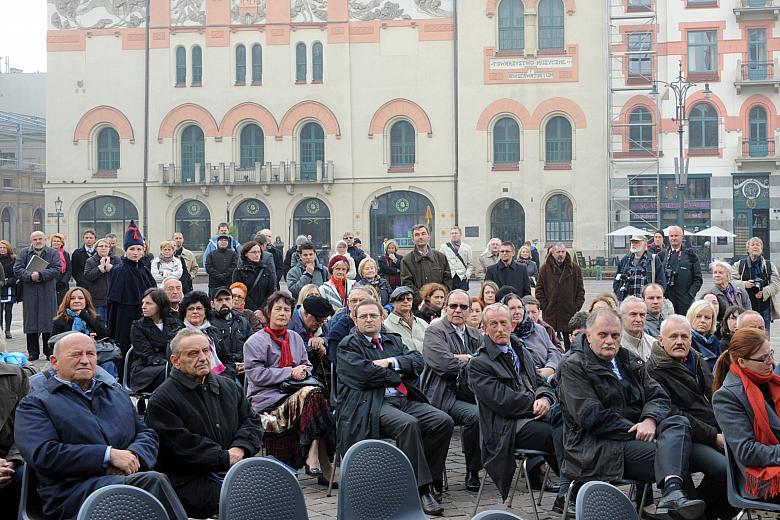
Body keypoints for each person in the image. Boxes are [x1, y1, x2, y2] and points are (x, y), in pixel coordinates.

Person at [14, 332, 188, 520]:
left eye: (91, 354)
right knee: (152, 482)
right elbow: (44, 453)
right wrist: (107, 456)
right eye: (75, 355)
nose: (85, 360)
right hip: (72, 493)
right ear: (55, 362)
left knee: (151, 485)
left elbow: (147, 434)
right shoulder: (35, 404)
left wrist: (132, 457)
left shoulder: (115, 393)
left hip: (127, 478)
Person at [557, 308, 706, 517]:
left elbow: (659, 396)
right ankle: (677, 499)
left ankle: (673, 494)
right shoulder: (573, 366)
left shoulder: (628, 359)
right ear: (588, 335)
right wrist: (637, 430)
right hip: (597, 447)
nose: (610, 340)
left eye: (615, 335)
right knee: (673, 458)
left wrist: (650, 420)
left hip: (637, 434)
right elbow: (591, 416)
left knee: (678, 422)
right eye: (603, 335)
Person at [336, 297, 454, 516]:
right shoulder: (348, 345)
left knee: (442, 421)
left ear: (382, 317)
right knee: (408, 425)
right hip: (371, 404)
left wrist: (391, 362)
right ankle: (420, 490)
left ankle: (431, 480)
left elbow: (418, 362)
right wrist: (397, 373)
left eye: (373, 315)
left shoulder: (393, 340)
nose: (369, 320)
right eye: (363, 316)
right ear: (355, 319)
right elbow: (363, 375)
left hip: (403, 399)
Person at [145, 329, 263, 517]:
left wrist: (240, 449)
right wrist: (224, 458)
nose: (202, 358)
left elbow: (251, 421)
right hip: (188, 480)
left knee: (277, 486)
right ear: (175, 361)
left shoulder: (229, 386)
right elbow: (183, 446)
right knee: (243, 502)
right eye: (193, 353)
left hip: (233, 468)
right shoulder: (162, 400)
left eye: (206, 351)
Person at [645, 315, 736, 520]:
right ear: (661, 340)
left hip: (710, 428)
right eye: (674, 336)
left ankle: (703, 511)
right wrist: (714, 436)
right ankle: (695, 513)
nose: (680, 341)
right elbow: (671, 413)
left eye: (684, 336)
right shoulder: (653, 370)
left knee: (743, 466)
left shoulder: (694, 358)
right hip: (683, 436)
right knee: (724, 470)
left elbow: (714, 394)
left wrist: (727, 425)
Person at [468, 303, 559, 501]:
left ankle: (576, 487)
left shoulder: (519, 348)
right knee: (558, 434)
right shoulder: (478, 363)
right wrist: (537, 403)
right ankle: (571, 491)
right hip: (505, 429)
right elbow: (504, 402)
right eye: (493, 324)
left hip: (534, 414)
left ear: (512, 325)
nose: (499, 328)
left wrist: (544, 397)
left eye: (503, 323)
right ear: (484, 328)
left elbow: (541, 383)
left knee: (571, 425)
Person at [243, 291, 336, 483]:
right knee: (314, 394)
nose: (283, 313)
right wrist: (289, 372)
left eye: (287, 310)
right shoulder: (254, 341)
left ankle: (313, 454)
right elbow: (256, 375)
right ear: (268, 312)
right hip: (268, 399)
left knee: (313, 394)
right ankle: (318, 460)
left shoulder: (294, 337)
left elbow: (306, 365)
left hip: (297, 394)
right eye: (278, 309)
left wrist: (303, 371)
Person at [421, 289, 483, 491]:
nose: (458, 310)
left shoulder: (476, 334)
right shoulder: (434, 332)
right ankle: (438, 479)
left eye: (463, 307)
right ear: (445, 308)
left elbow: (487, 363)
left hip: (470, 392)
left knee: (493, 410)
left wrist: (463, 358)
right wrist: (471, 359)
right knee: (475, 416)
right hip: (442, 394)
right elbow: (444, 366)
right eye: (453, 306)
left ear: (469, 311)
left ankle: (475, 470)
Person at [712, 327, 780, 502]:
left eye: (770, 354)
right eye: (763, 359)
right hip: (763, 477)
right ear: (742, 362)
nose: (771, 362)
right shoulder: (727, 396)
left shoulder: (772, 381)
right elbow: (746, 451)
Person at [107, 221, 157, 359]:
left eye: (139, 249)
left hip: (145, 317)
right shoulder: (118, 271)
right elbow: (113, 302)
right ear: (126, 251)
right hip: (124, 318)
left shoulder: (145, 271)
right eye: (132, 249)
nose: (136, 253)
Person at [14, 231, 61, 361]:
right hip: (30, 292)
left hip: (47, 291)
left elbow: (57, 269)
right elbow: (17, 269)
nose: (38, 241)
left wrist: (40, 275)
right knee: (31, 322)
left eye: (40, 238)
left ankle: (48, 351)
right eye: (35, 239)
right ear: (31, 241)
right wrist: (30, 276)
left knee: (48, 322)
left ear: (45, 239)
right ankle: (33, 352)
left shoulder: (53, 253)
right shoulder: (24, 253)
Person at [130, 288, 181, 393]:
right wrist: (169, 363)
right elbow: (146, 355)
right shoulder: (138, 326)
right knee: (174, 372)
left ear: (160, 305)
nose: (143, 307)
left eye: (148, 303)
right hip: (146, 370)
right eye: (143, 303)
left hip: (172, 364)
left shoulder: (174, 323)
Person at [51, 286, 114, 370]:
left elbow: (106, 335)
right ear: (68, 301)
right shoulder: (60, 320)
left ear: (86, 301)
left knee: (108, 365)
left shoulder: (95, 318)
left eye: (80, 298)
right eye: (72, 298)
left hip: (94, 356)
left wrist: (84, 315)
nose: (76, 301)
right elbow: (53, 343)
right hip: (70, 356)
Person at [535, 243, 585, 350]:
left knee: (571, 345)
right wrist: (545, 306)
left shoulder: (575, 268)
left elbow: (580, 290)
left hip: (569, 313)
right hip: (551, 313)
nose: (561, 254)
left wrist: (575, 307)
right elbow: (539, 290)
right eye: (558, 252)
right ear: (552, 254)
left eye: (563, 252)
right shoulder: (545, 269)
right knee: (550, 344)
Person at [179, 291, 236, 380]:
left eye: (199, 308)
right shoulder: (178, 335)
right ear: (184, 312)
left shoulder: (214, 331)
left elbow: (228, 359)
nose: (195, 312)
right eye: (190, 309)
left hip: (222, 376)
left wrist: (228, 377)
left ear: (205, 312)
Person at [502, 294, 561, 377]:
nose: (517, 312)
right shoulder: (503, 334)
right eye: (512, 308)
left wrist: (550, 368)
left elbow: (553, 351)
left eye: (520, 307)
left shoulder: (538, 329)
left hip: (549, 376)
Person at [0, 359, 29, 518]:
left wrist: (11, 462)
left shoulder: (16, 376)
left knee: (25, 475)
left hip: (10, 465)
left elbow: (28, 428)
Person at [732, 237, 779, 332]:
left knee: (763, 335)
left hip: (764, 307)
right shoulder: (739, 265)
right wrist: (744, 284)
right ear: (748, 249)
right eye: (752, 245)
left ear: (761, 249)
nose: (755, 247)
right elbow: (731, 281)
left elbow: (776, 284)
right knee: (746, 334)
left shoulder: (769, 265)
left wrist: (764, 292)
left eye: (758, 245)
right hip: (744, 307)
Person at [288, 295, 332, 382]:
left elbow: (329, 337)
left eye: (323, 322)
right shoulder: (289, 322)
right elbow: (293, 349)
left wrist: (322, 340)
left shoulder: (320, 323)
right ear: (306, 313)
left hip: (316, 371)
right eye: (318, 321)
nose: (320, 325)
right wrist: (314, 346)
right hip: (296, 374)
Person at [210, 287, 253, 377]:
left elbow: (253, 346)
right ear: (212, 304)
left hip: (246, 369)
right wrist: (231, 366)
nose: (224, 303)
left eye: (227, 299)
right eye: (219, 300)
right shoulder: (208, 324)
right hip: (222, 372)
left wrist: (247, 364)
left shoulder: (242, 321)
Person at [400, 224, 452, 296]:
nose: (420, 237)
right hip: (417, 305)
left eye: (423, 234)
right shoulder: (406, 261)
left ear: (429, 237)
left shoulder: (441, 257)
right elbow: (407, 285)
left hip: (439, 303)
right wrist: (424, 299)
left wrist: (439, 297)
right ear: (413, 239)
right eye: (417, 235)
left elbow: (448, 281)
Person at [613, 235, 666, 301]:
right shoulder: (625, 259)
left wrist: (654, 298)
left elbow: (661, 282)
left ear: (645, 244)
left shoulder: (653, 259)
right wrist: (618, 293)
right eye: (632, 242)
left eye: (636, 242)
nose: (633, 245)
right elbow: (617, 278)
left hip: (646, 302)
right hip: (628, 303)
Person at [664, 226, 703, 315]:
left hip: (684, 301)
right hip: (667, 300)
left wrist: (690, 295)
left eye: (676, 235)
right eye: (671, 236)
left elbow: (698, 278)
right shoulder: (662, 255)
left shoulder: (690, 255)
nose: (673, 238)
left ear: (682, 237)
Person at [231, 241, 275, 312]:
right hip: (244, 310)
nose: (257, 255)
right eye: (254, 252)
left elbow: (271, 293)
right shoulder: (239, 271)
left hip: (263, 311)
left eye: (259, 252)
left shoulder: (266, 270)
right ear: (246, 254)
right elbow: (239, 292)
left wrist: (261, 309)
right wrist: (253, 309)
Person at [383, 286, 429, 352]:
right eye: (401, 299)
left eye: (409, 299)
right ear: (392, 303)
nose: (405, 301)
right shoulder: (385, 326)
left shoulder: (423, 323)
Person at [83, 238, 119, 322]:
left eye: (106, 246)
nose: (104, 248)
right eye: (101, 246)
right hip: (98, 299)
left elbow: (122, 274)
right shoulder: (90, 261)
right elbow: (88, 276)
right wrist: (101, 268)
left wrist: (111, 268)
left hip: (114, 297)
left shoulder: (116, 259)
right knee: (100, 323)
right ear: (96, 248)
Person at [686, 299, 721, 371]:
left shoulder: (714, 340)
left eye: (707, 318)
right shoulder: (686, 340)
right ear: (690, 317)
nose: (702, 321)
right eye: (698, 316)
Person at [619, 296, 655, 361]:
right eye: (633, 314)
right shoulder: (616, 344)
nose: (638, 319)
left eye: (642, 315)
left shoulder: (653, 344)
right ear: (621, 316)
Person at [440, 226, 474, 291]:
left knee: (462, 298)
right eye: (452, 233)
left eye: (456, 233)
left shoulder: (467, 247)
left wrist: (467, 275)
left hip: (462, 278)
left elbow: (470, 264)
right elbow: (440, 263)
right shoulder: (444, 247)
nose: (454, 235)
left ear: (460, 234)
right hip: (449, 277)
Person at [70, 228, 97, 292]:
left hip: (96, 284)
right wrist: (80, 280)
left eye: (91, 238)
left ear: (95, 239)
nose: (88, 240)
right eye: (86, 238)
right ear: (83, 239)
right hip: (82, 285)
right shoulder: (77, 253)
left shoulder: (98, 252)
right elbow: (74, 270)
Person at [49, 233, 72, 305]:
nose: (56, 243)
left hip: (63, 285)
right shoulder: (47, 253)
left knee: (63, 306)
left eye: (58, 241)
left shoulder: (66, 254)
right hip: (51, 283)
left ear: (62, 243)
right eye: (54, 241)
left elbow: (69, 269)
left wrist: (64, 281)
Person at [0, 241, 16, 339]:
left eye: (4, 247)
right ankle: (0, 330)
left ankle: (8, 330)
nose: (2, 249)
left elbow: (16, 274)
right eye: (0, 247)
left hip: (9, 287)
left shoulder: (13, 259)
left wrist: (7, 282)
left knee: (8, 310)